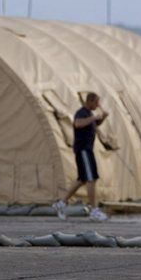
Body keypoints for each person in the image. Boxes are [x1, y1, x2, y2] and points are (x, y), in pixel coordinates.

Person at [53, 92, 109, 221]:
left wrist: (102, 117)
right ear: (89, 101)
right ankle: (94, 211)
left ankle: (60, 204)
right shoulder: (82, 112)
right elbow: (78, 123)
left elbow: (94, 124)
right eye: (96, 103)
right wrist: (94, 117)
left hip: (87, 149)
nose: (97, 105)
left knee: (83, 179)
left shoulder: (89, 114)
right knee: (91, 178)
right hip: (83, 149)